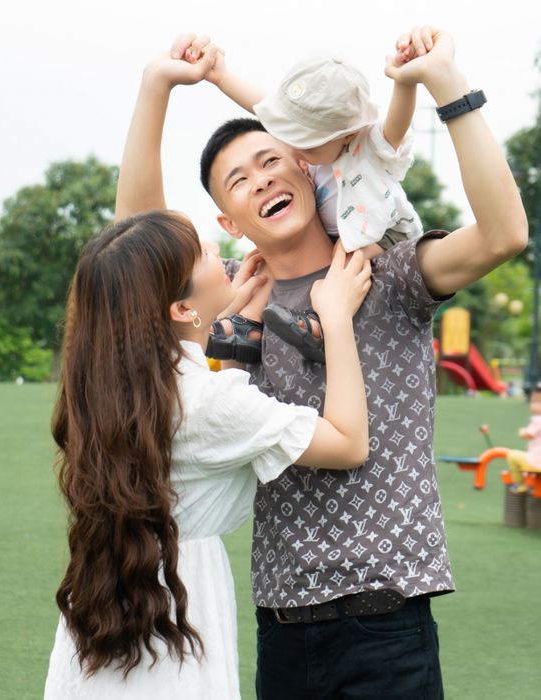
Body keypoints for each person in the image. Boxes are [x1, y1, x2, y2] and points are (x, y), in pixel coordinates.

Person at [117, 27, 528, 699]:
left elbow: (504, 234)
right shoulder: (236, 293)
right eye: (238, 180)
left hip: (389, 620)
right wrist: (156, 84)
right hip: (281, 626)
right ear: (228, 223)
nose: (262, 179)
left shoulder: (386, 273)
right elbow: (136, 247)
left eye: (272, 161)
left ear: (309, 169)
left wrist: (447, 86)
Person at [43, 210, 372, 696]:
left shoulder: (107, 390)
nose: (218, 250)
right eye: (202, 253)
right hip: (178, 612)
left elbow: (203, 419)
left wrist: (228, 323)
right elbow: (347, 443)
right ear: (181, 308)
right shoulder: (203, 401)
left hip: (108, 617)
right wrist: (337, 318)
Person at [193, 32, 429, 363]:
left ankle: (318, 326)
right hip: (340, 230)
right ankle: (249, 327)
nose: (295, 147)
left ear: (346, 133)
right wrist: (221, 77)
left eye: (306, 141)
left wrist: (405, 82)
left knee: (345, 258)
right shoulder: (311, 148)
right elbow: (263, 107)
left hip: (381, 234)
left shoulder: (369, 149)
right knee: (266, 259)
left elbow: (397, 124)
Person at [506, 382, 541, 493]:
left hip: (537, 462)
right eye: (533, 402)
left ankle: (521, 484)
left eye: (537, 403)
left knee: (512, 455)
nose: (533, 405)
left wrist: (522, 431)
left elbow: (528, 434)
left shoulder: (538, 420)